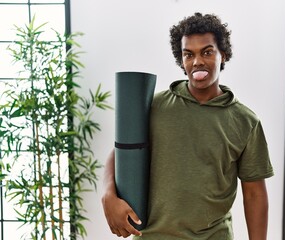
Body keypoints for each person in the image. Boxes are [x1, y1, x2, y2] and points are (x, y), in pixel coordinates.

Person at [102, 12, 274, 240]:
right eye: (188, 54)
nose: (197, 62)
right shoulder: (154, 106)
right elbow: (121, 151)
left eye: (207, 52)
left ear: (223, 54)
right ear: (181, 60)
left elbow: (254, 194)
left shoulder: (245, 121)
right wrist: (107, 195)